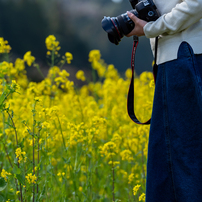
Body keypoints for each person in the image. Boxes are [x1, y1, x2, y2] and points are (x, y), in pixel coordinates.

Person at [126, 0, 202, 201]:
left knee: (185, 163)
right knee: (167, 168)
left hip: (186, 57)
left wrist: (152, 28)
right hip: (176, 59)